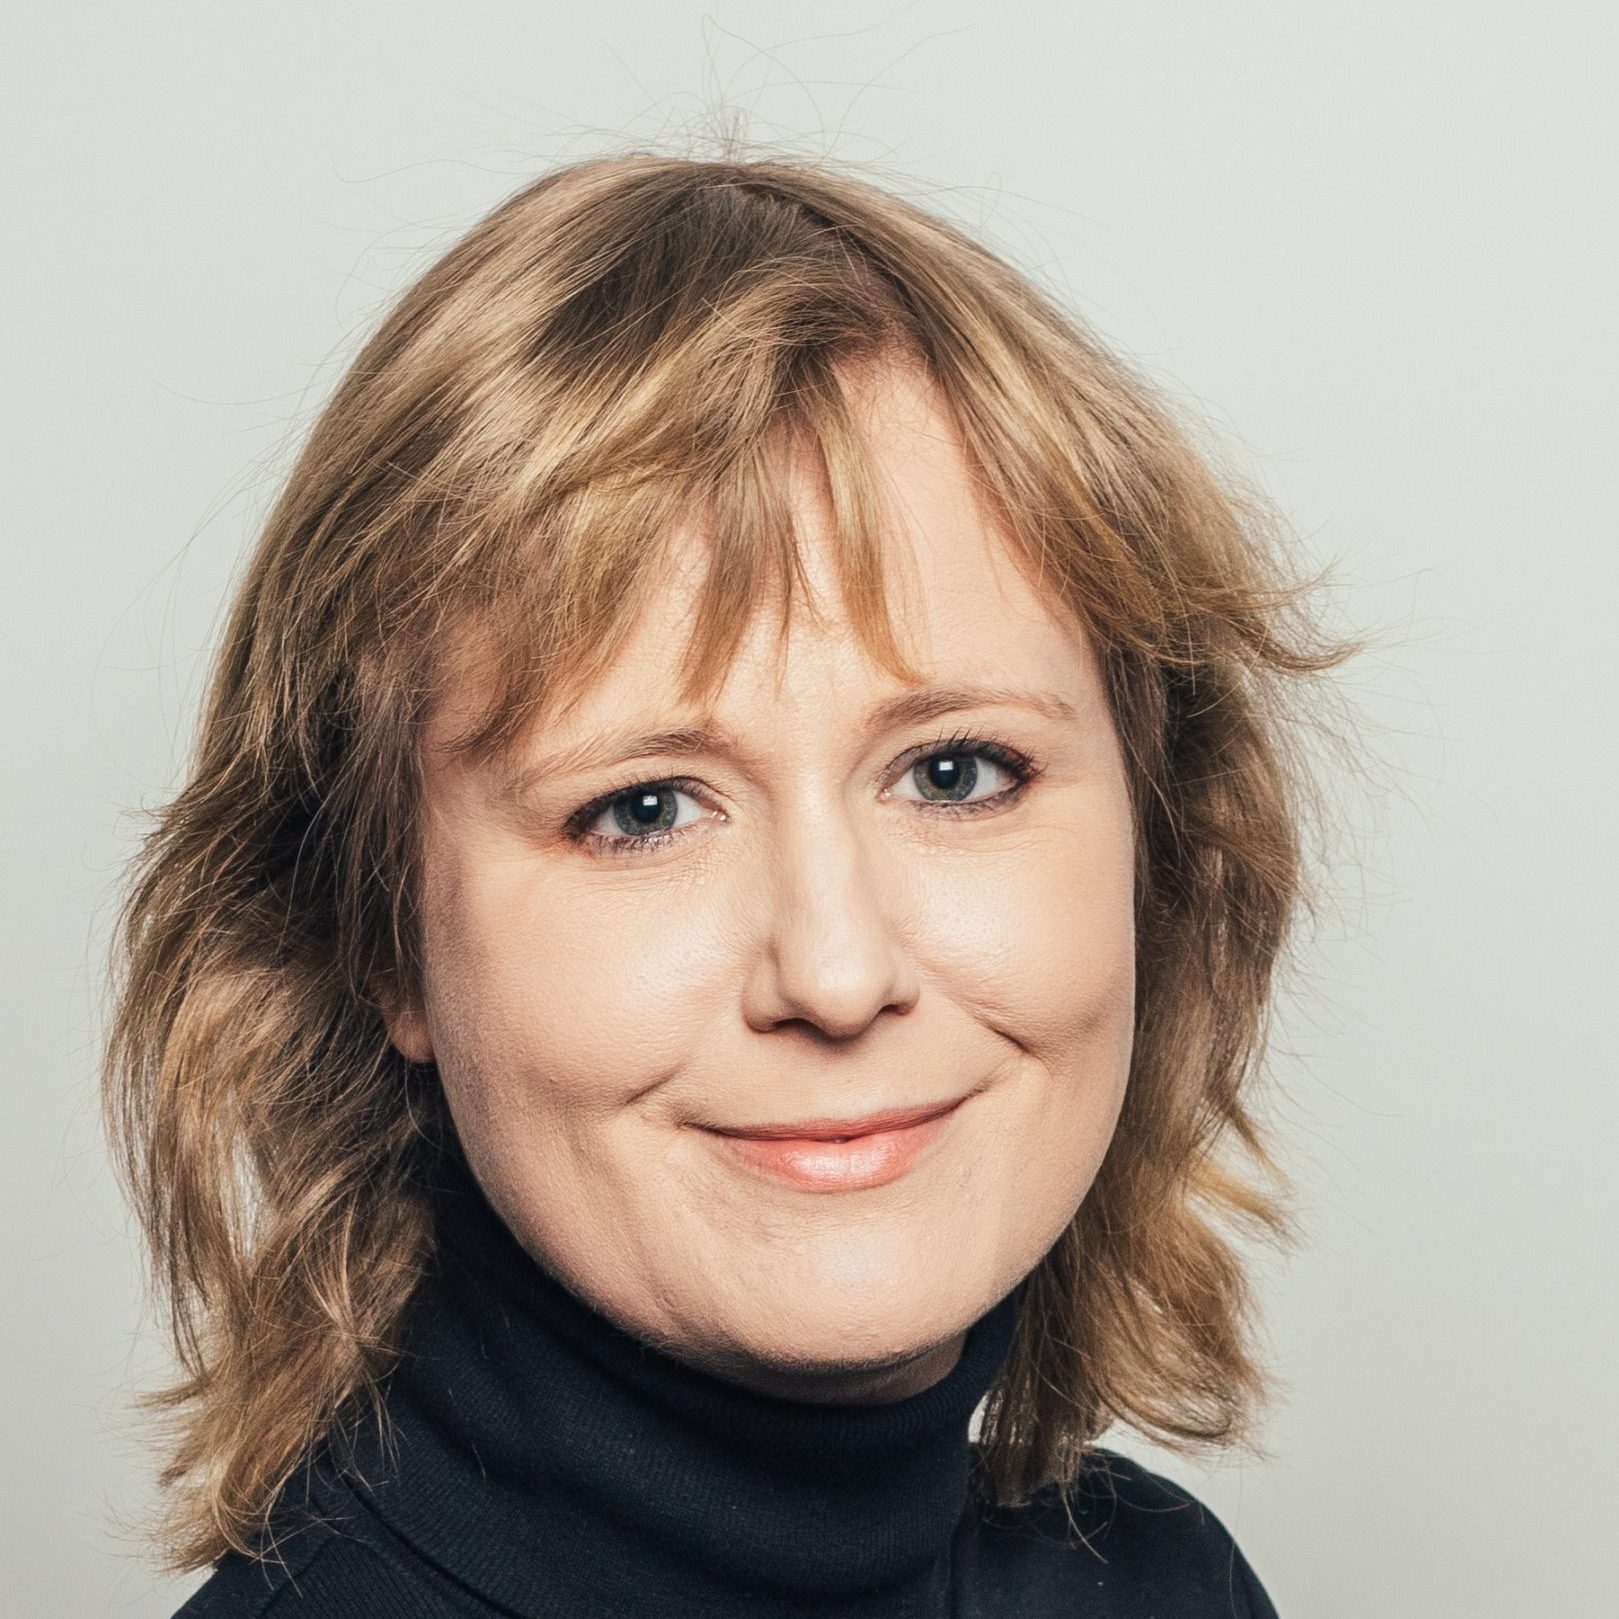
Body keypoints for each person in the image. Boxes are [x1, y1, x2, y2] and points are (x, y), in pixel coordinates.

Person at [103, 147, 1359, 1617]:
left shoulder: (1157, 1585)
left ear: (1158, 837)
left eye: (956, 772)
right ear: (382, 937)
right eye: (641, 810)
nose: (835, 973)